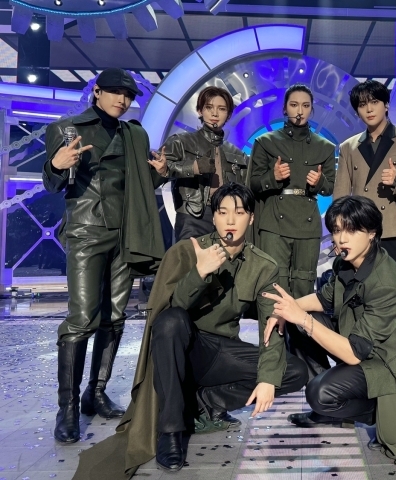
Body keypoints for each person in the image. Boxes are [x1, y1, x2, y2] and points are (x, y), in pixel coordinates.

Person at [73, 183, 308, 478]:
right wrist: (200, 272)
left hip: (220, 352)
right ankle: (171, 430)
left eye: (239, 213)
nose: (230, 220)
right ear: (214, 217)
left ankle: (205, 402)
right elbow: (168, 312)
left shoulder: (263, 265)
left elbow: (270, 328)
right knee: (172, 321)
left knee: (293, 371)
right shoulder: (189, 252)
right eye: (223, 212)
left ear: (251, 218)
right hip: (183, 348)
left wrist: (268, 380)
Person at [262, 195, 396, 468]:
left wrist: (303, 319)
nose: (341, 238)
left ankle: (371, 409)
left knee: (319, 394)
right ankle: (336, 402)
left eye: (351, 230)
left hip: (388, 360)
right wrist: (285, 311)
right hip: (361, 342)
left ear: (372, 233)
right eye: (336, 230)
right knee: (298, 325)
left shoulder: (387, 283)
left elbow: (354, 353)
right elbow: (323, 298)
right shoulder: (348, 262)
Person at [42, 68, 168, 444]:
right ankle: (66, 409)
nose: (122, 100)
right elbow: (52, 183)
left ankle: (94, 394)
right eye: (115, 92)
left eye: (128, 95)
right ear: (96, 92)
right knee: (83, 318)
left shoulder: (134, 134)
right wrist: (56, 165)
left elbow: (139, 185)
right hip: (87, 231)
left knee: (114, 317)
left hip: (126, 233)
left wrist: (159, 174)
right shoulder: (67, 129)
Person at [248, 83, 336, 379]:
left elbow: (330, 186)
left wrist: (319, 183)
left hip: (307, 223)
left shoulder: (325, 147)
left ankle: (310, 371)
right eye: (294, 105)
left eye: (305, 105)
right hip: (274, 221)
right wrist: (273, 177)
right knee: (274, 292)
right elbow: (252, 185)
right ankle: (272, 371)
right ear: (285, 108)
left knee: (303, 291)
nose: (300, 110)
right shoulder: (266, 142)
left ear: (312, 109)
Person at [333, 80, 396, 320]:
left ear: (386, 105)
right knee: (366, 290)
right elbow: (341, 196)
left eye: (374, 102)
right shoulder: (348, 147)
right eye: (362, 105)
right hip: (362, 230)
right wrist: (339, 232)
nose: (369, 109)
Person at [162, 86, 250, 240]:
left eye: (221, 109)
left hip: (227, 218)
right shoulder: (181, 142)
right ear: (199, 110)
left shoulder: (237, 153)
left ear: (229, 114)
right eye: (209, 107)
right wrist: (193, 168)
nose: (215, 113)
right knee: (191, 255)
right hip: (193, 216)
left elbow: (249, 185)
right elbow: (160, 172)